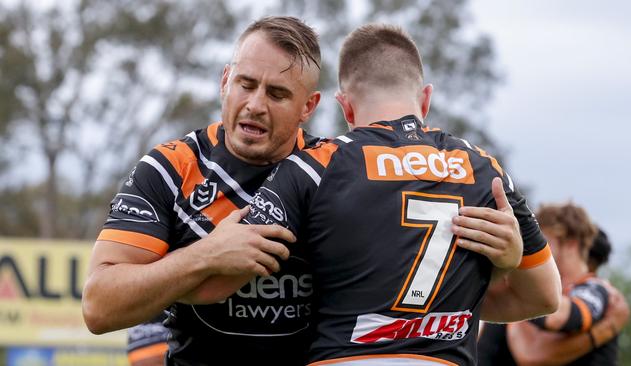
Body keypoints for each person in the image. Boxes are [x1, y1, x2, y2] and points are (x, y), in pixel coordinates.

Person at [220, 24, 561, 365]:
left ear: (345, 107)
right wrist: (500, 268)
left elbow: (216, 284)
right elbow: (546, 296)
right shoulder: (484, 170)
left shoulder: (316, 165)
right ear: (425, 99)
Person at [82, 16, 323, 365]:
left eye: (277, 93)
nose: (256, 104)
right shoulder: (169, 168)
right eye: (246, 84)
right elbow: (98, 307)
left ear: (308, 106)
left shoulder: (330, 172)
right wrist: (207, 254)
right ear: (225, 81)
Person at [478, 206, 629, 365]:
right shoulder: (518, 301)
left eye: (541, 241)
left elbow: (555, 319)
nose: (532, 250)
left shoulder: (596, 290)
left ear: (571, 244)